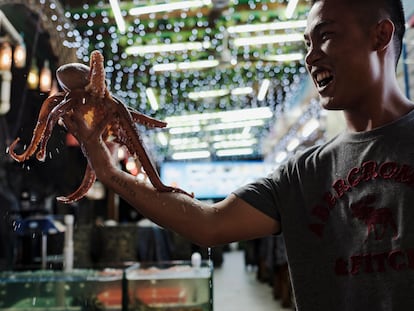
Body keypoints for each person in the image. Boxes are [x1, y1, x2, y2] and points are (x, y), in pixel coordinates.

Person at [64, 0, 414, 309]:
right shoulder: (302, 174)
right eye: (307, 43)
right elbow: (209, 223)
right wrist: (108, 172)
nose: (310, 56)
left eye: (327, 35)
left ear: (380, 35)